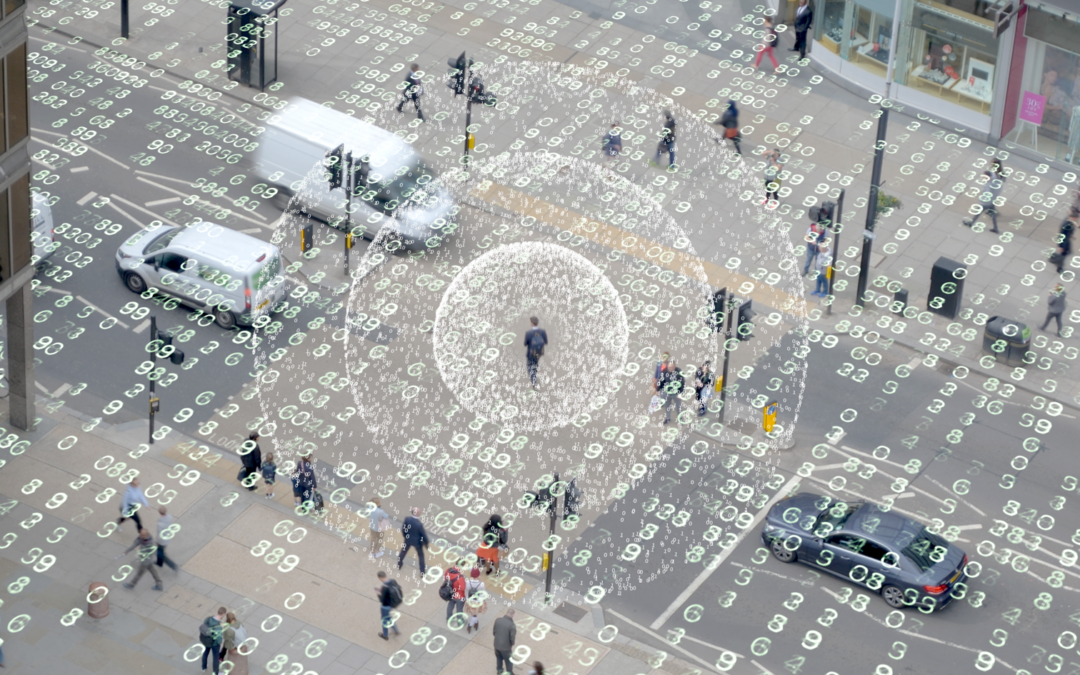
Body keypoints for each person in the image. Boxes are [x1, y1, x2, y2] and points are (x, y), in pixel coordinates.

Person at [962, 161, 1006, 233]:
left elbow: (989, 190)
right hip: (993, 197)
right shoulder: (1000, 174)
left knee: (979, 210)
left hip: (988, 199)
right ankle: (995, 228)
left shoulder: (992, 179)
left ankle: (971, 223)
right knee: (992, 212)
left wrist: (984, 198)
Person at [397, 507, 430, 574]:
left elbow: (403, 529)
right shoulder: (419, 525)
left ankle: (399, 564)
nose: (420, 512)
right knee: (421, 556)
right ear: (417, 514)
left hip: (408, 539)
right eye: (419, 512)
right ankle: (422, 571)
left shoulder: (407, 519)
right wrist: (426, 543)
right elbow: (423, 535)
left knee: (403, 551)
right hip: (417, 542)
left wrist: (406, 536)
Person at [199, 607, 227, 675]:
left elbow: (204, 627)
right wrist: (219, 643)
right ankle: (215, 673)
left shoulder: (208, 619)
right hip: (214, 644)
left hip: (205, 640)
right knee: (215, 658)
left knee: (205, 653)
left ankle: (203, 667)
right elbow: (219, 640)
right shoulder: (218, 627)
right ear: (223, 614)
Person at [375, 571, 402, 640]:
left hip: (386, 606)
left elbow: (382, 600)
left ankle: (385, 635)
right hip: (393, 604)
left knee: (384, 619)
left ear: (380, 578)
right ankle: (396, 630)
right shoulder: (393, 580)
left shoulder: (385, 587)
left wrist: (378, 593)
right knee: (388, 617)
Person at [524, 316, 548, 390]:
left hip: (531, 354)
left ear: (531, 323)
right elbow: (546, 342)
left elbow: (525, 344)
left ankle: (534, 382)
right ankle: (535, 371)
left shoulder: (528, 333)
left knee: (529, 367)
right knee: (535, 363)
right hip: (538, 353)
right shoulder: (542, 331)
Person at [658, 360, 684, 426]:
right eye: (669, 367)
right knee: (667, 406)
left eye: (672, 367)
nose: (671, 369)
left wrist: (680, 393)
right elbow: (660, 381)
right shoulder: (664, 372)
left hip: (676, 393)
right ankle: (668, 418)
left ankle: (680, 418)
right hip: (666, 392)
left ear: (675, 366)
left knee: (678, 406)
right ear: (667, 366)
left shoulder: (679, 372)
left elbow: (682, 383)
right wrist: (658, 390)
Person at [493, 609, 517, 675]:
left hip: (497, 645)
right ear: (512, 615)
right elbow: (512, 638)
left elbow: (494, 632)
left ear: (506, 613)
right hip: (506, 647)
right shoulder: (512, 625)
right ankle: (509, 672)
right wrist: (511, 644)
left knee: (499, 658)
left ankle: (499, 670)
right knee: (509, 661)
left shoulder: (497, 620)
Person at [155, 506, 178, 572]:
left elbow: (159, 534)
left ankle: (173, 566)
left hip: (162, 541)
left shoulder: (160, 523)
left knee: (160, 553)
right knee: (159, 552)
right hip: (167, 537)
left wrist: (157, 542)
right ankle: (159, 563)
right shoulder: (170, 517)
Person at [465, 567, 487, 634]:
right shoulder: (481, 584)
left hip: (470, 600)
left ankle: (476, 623)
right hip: (478, 601)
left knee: (473, 613)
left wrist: (467, 599)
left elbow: (466, 591)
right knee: (475, 614)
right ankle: (470, 625)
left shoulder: (468, 582)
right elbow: (484, 593)